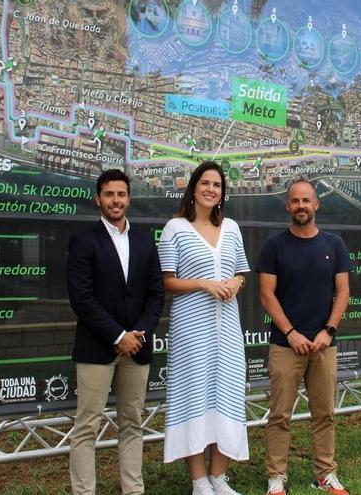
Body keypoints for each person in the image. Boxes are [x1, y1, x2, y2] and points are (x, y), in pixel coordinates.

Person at [66, 169, 164, 495]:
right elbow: (82, 298)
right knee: (86, 428)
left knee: (132, 424)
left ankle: (133, 490)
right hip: (97, 348)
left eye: (121, 194)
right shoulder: (83, 241)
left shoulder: (144, 240)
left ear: (129, 198)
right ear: (98, 199)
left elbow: (156, 294)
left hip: (137, 348)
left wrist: (138, 334)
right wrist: (118, 336)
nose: (115, 200)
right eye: (109, 194)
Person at [158, 161, 250, 495]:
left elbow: (241, 273)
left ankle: (218, 478)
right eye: (205, 183)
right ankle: (199, 481)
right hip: (191, 331)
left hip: (227, 331)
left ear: (222, 193)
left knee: (227, 395)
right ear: (193, 187)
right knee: (192, 396)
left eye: (217, 185)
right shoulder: (174, 229)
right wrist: (203, 284)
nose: (211, 189)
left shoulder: (233, 228)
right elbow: (167, 281)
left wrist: (235, 284)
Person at [257, 179, 352, 495]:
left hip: (324, 345)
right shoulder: (274, 246)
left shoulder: (334, 245)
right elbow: (267, 295)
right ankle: (276, 477)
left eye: (306, 201)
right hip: (286, 345)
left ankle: (325, 474)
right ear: (287, 206)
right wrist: (291, 333)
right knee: (279, 415)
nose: (301, 206)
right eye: (295, 201)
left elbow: (343, 293)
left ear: (316, 204)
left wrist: (328, 331)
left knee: (324, 414)